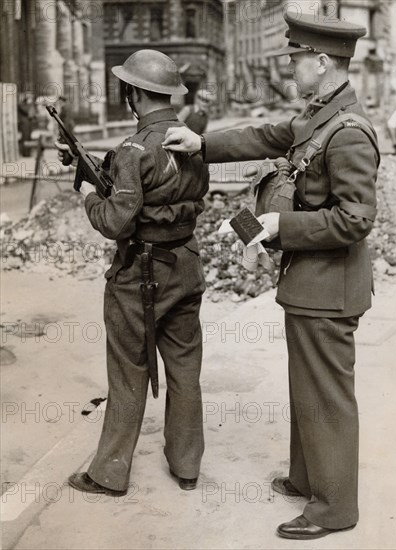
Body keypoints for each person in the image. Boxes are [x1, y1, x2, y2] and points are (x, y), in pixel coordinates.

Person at [163, 9, 379, 540]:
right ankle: (309, 479)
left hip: (330, 288)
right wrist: (202, 144)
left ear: (323, 62)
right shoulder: (319, 117)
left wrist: (285, 222)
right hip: (311, 283)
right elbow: (265, 135)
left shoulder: (348, 131)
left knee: (327, 394)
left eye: (297, 60)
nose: (291, 70)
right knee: (307, 386)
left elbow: (356, 219)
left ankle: (333, 508)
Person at [57, 49, 209, 495]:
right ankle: (186, 466)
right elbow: (165, 189)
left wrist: (87, 192)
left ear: (135, 94)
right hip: (185, 265)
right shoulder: (195, 141)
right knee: (184, 368)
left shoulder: (132, 150)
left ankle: (108, 473)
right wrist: (94, 165)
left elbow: (114, 222)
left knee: (127, 369)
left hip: (140, 275)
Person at [17, 92, 35, 157]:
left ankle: (28, 153)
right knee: (25, 138)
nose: (30, 98)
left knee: (28, 137)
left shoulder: (28, 104)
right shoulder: (21, 104)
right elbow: (27, 111)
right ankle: (25, 154)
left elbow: (33, 113)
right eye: (29, 97)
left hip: (28, 124)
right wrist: (30, 104)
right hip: (24, 124)